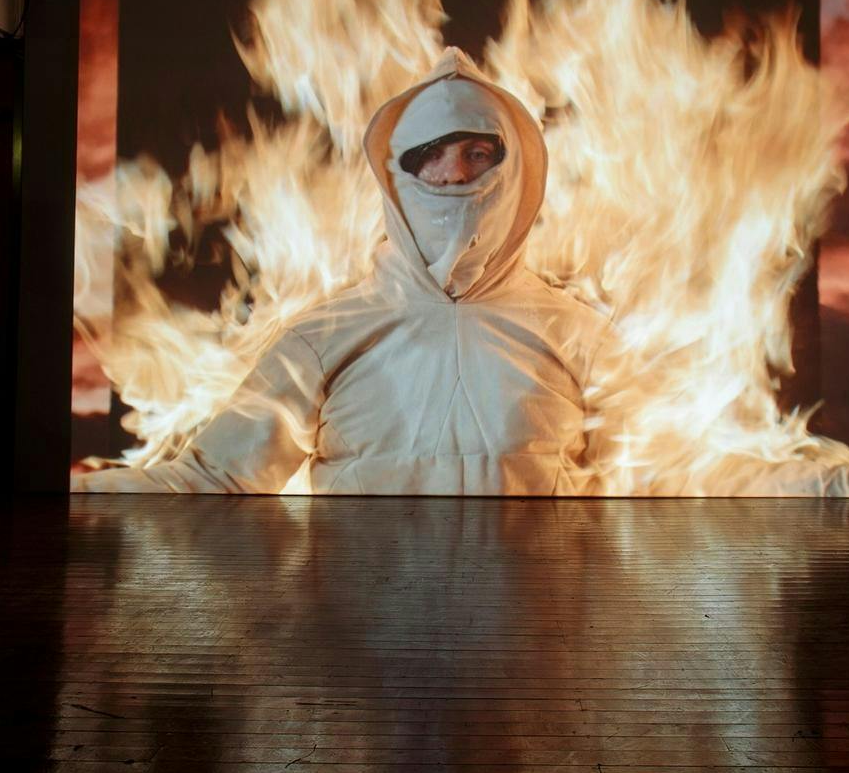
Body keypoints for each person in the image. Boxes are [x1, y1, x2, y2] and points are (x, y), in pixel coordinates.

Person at [72, 48, 612, 495]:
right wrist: (78, 498)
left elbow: (659, 488)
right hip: (364, 620)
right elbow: (219, 477)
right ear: (397, 176)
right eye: (431, 155)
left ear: (514, 169)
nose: (453, 175)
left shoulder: (578, 338)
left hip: (534, 622)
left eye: (477, 153)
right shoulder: (326, 335)